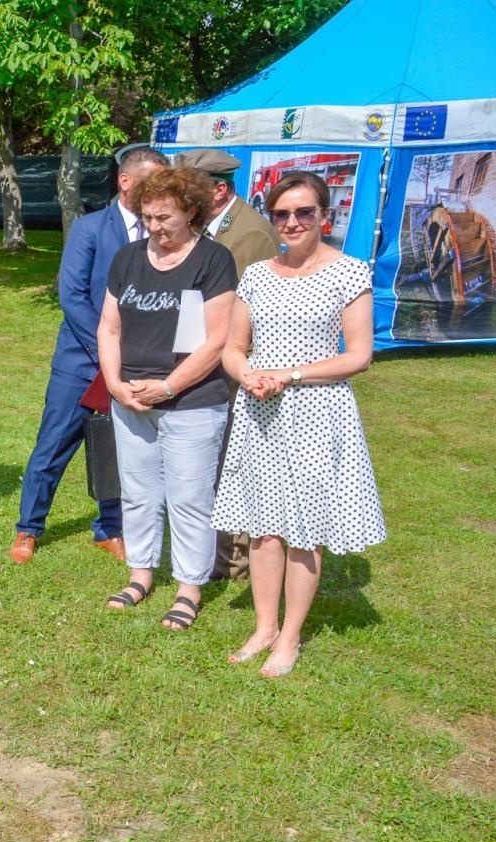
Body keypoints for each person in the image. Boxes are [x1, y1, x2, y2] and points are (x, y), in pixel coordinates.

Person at [213, 172, 385, 677]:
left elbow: (359, 355)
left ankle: (290, 639)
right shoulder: (258, 275)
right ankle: (265, 628)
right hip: (259, 411)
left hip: (316, 412)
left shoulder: (349, 272)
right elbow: (233, 346)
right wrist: (246, 375)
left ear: (323, 215)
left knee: (304, 530)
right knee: (265, 528)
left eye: (304, 212)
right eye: (282, 213)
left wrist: (287, 376)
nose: (292, 222)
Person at [10, 146, 170, 565]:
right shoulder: (91, 229)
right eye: (153, 182)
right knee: (53, 445)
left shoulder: (163, 236)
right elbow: (72, 296)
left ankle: (110, 528)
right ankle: (28, 528)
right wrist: (108, 354)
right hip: (82, 366)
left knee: (117, 451)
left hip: (137, 369)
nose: (162, 191)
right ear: (126, 182)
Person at [97, 166, 236, 631]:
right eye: (148, 218)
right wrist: (115, 384)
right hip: (130, 397)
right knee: (137, 493)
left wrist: (169, 387)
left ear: (191, 212)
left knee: (190, 497)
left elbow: (215, 341)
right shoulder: (128, 258)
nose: (154, 228)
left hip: (191, 400)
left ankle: (189, 587)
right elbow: (109, 327)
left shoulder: (213, 261)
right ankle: (140, 575)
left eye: (165, 219)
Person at [175, 147, 283, 582]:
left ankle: (235, 560)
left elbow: (253, 313)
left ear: (219, 190)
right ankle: (221, 552)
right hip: (206, 355)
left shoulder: (250, 235)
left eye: (192, 190)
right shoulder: (212, 227)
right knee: (215, 461)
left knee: (234, 463)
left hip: (238, 367)